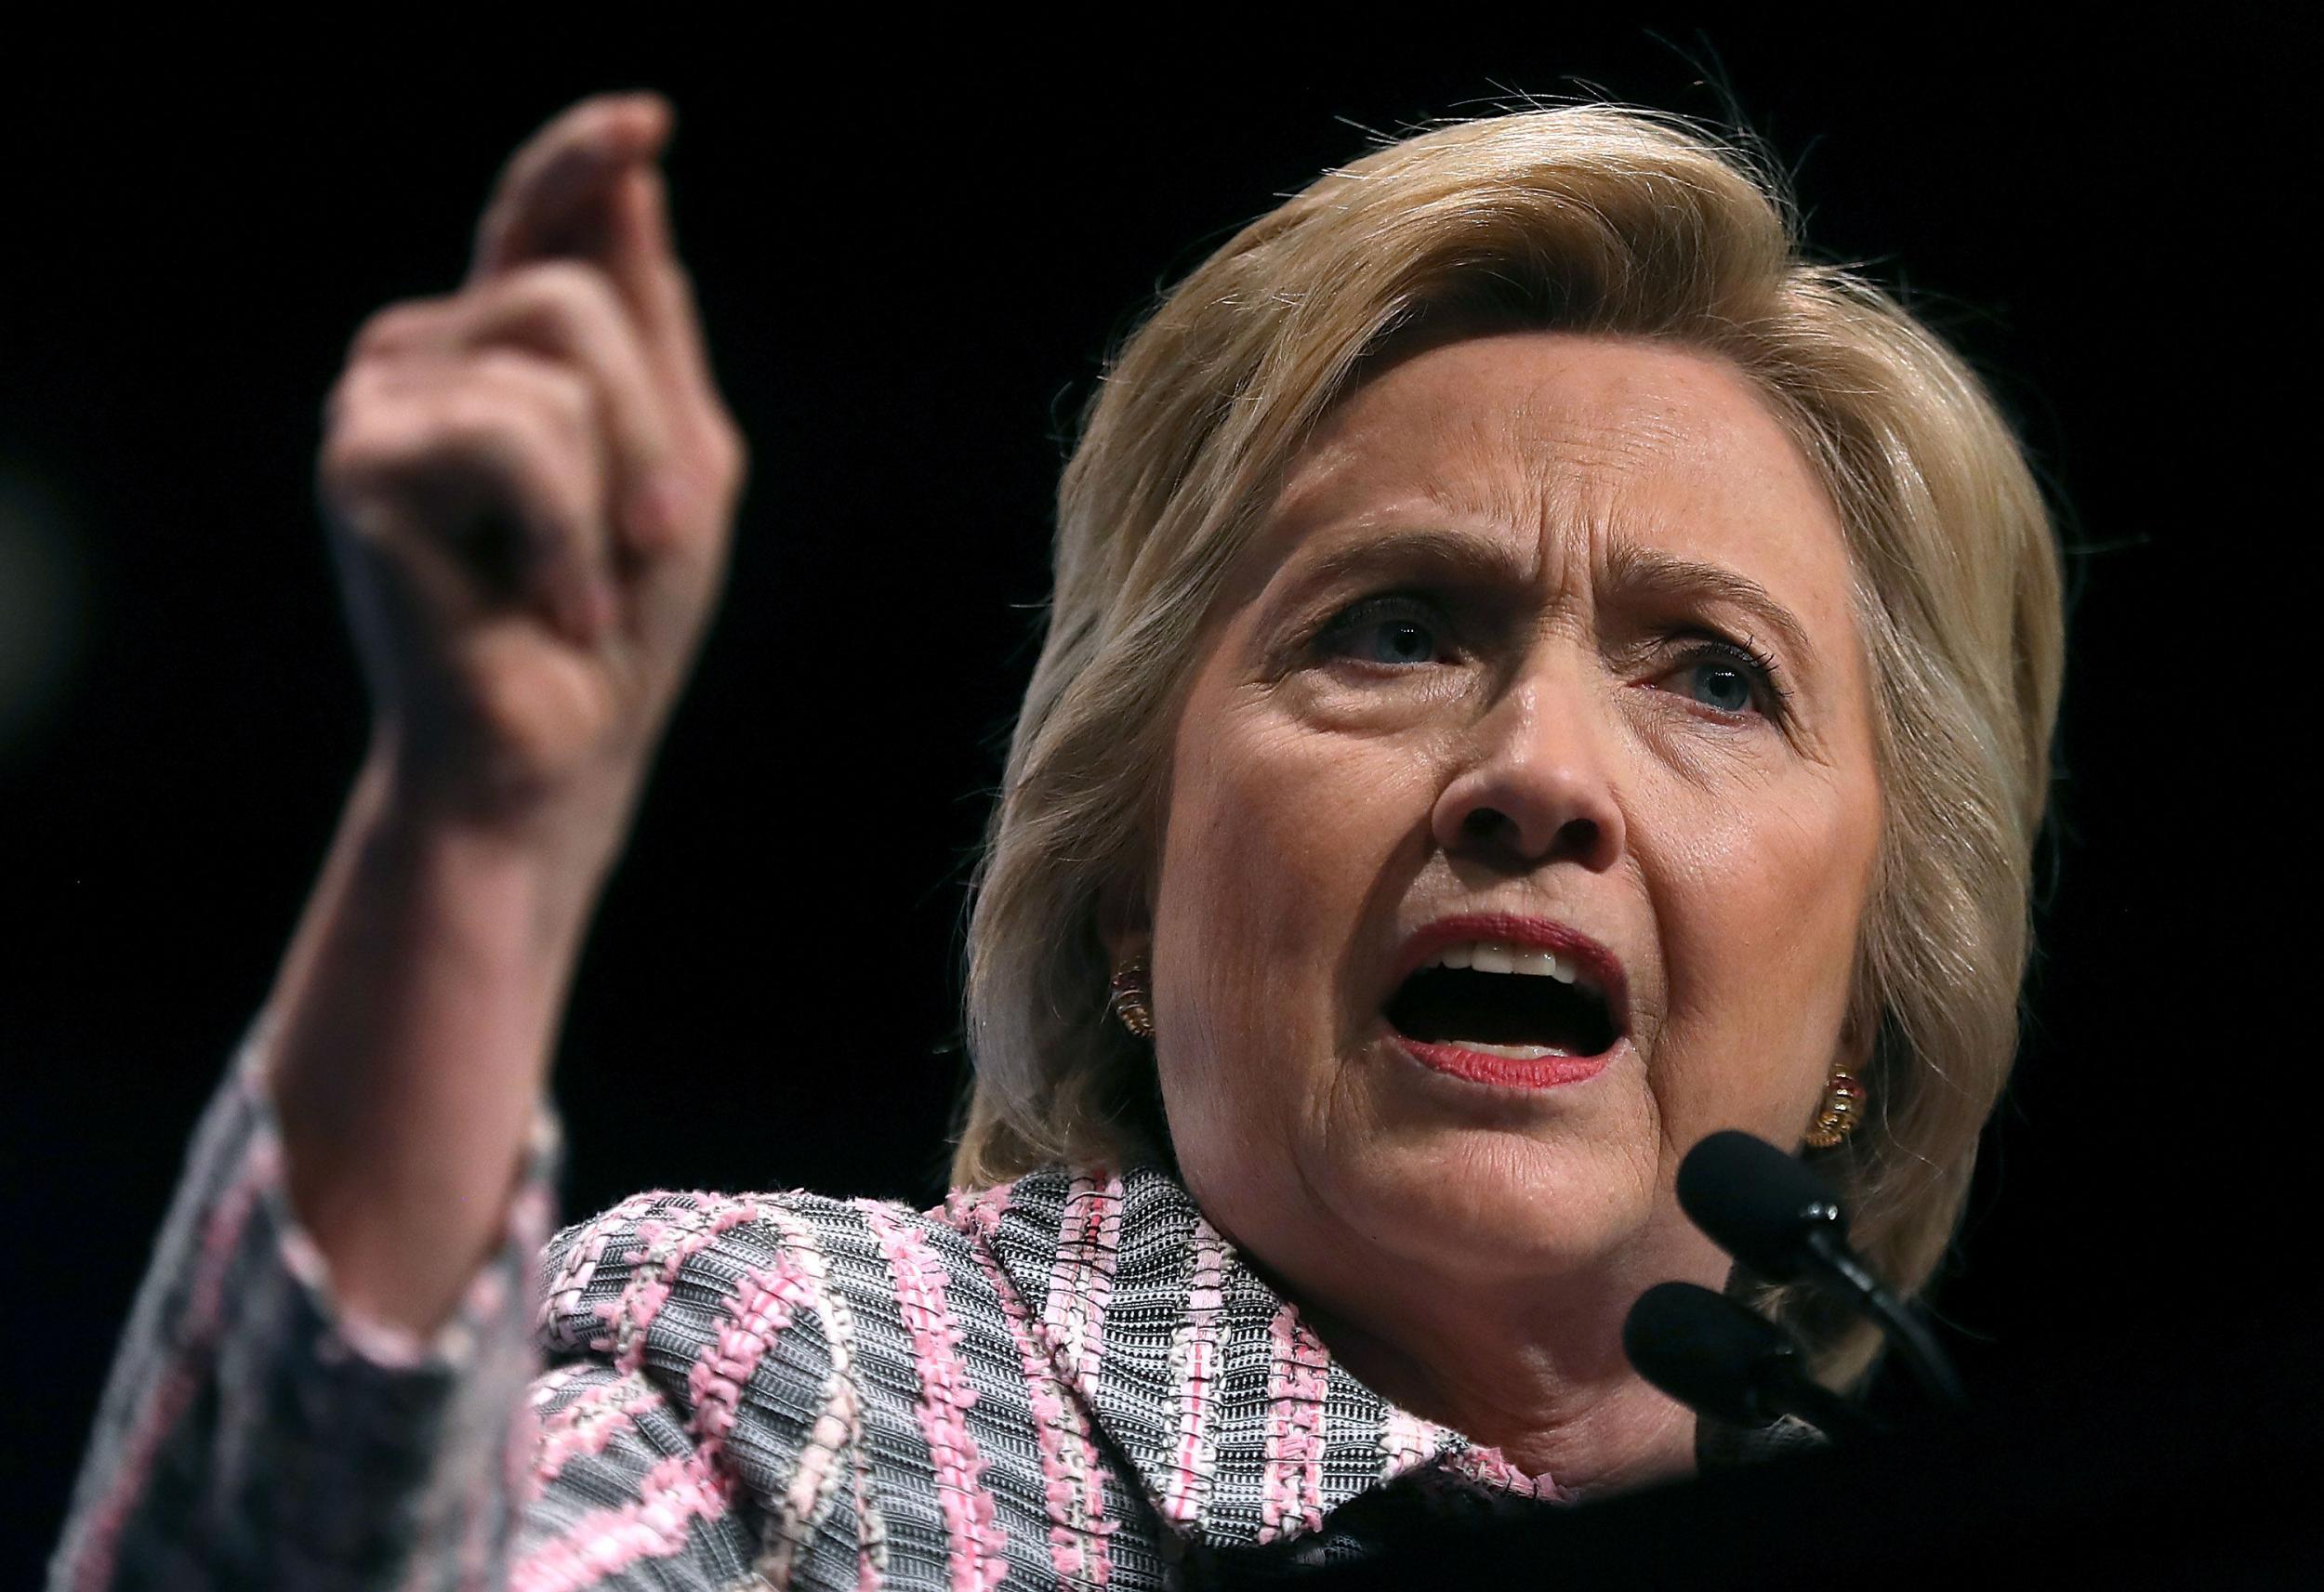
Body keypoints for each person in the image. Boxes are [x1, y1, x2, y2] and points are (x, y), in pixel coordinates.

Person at [48, 88, 2064, 1589]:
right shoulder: (808, 1380)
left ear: (1877, 1008)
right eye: (1390, 629)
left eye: (1711, 675)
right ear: (1125, 884)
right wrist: (476, 841)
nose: (1535, 765)